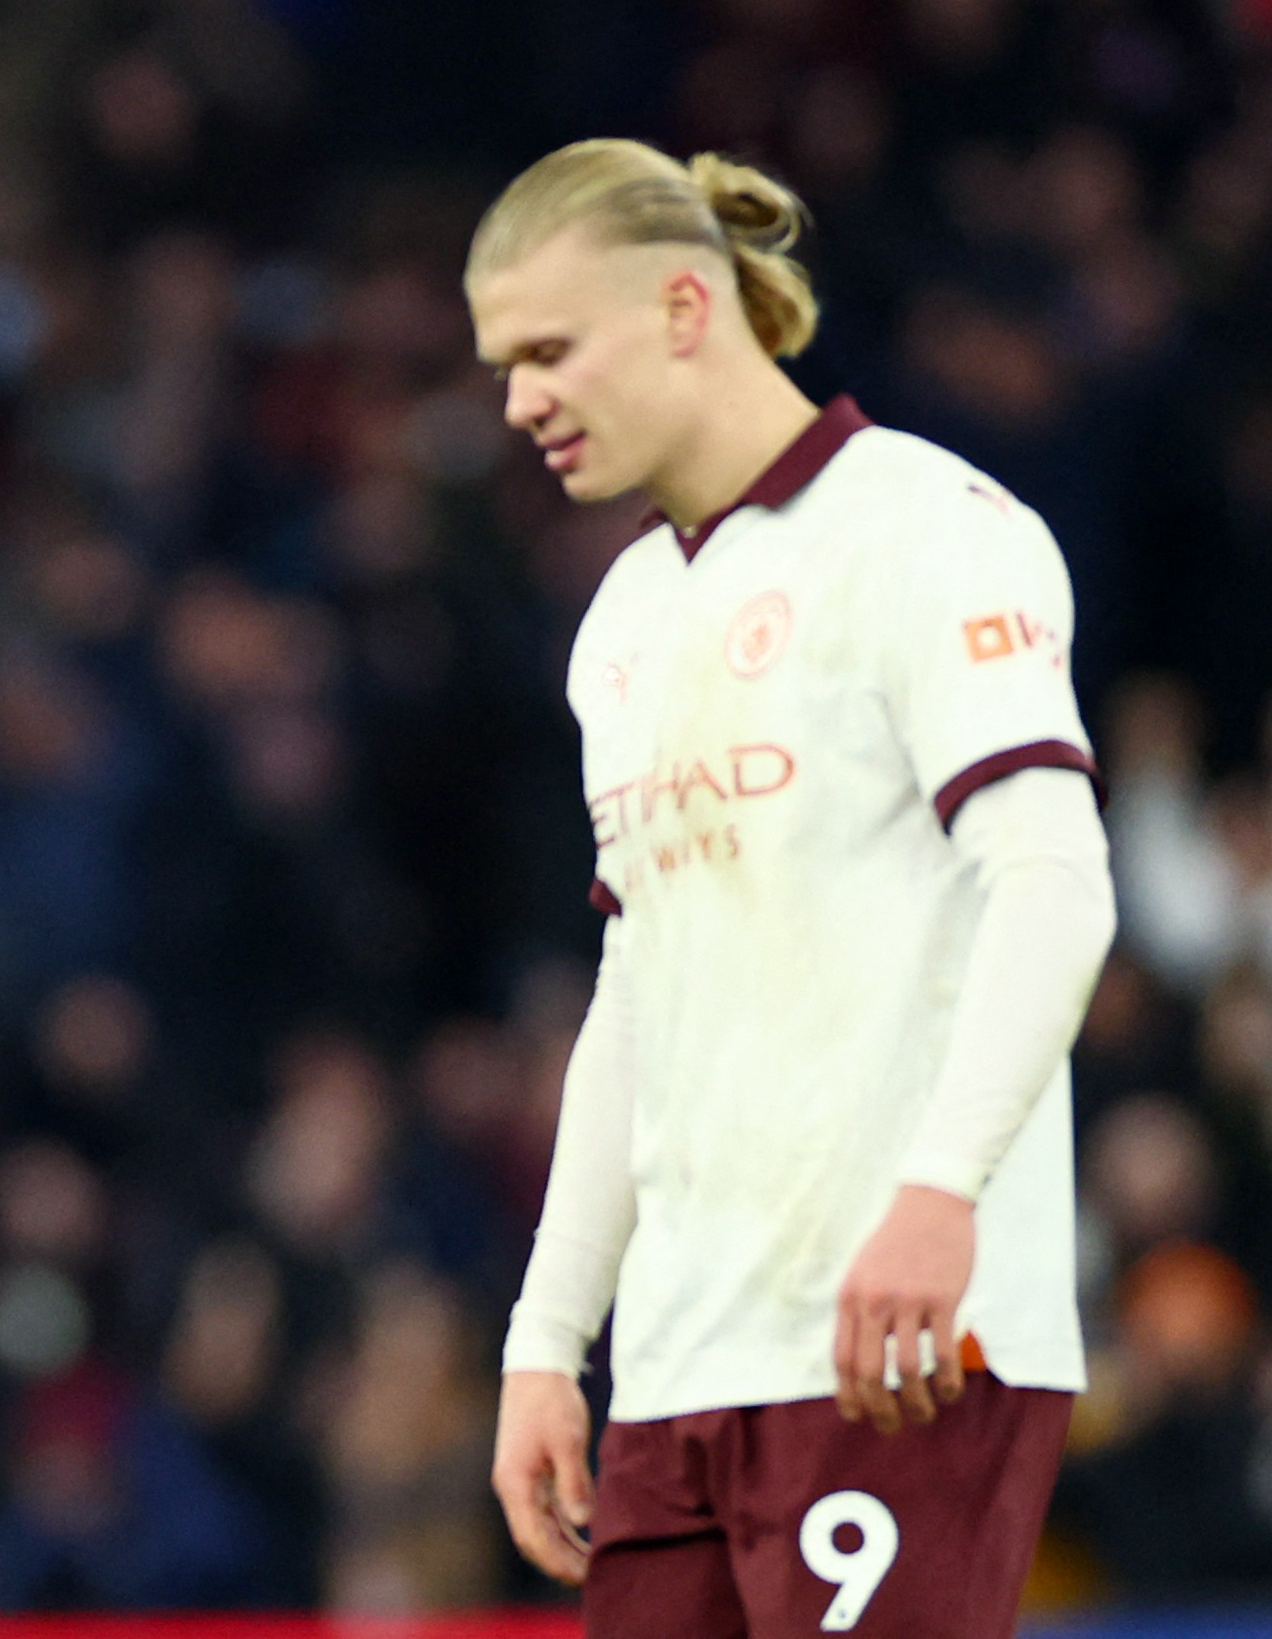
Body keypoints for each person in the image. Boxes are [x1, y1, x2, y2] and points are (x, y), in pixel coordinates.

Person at [467, 140, 1116, 1638]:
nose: (519, 402)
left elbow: (1054, 882)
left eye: (551, 350)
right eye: (506, 363)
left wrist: (938, 1194)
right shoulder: (624, 620)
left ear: (688, 307)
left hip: (899, 1346)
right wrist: (547, 1339)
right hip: (684, 1364)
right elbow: (641, 995)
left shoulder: (930, 530)